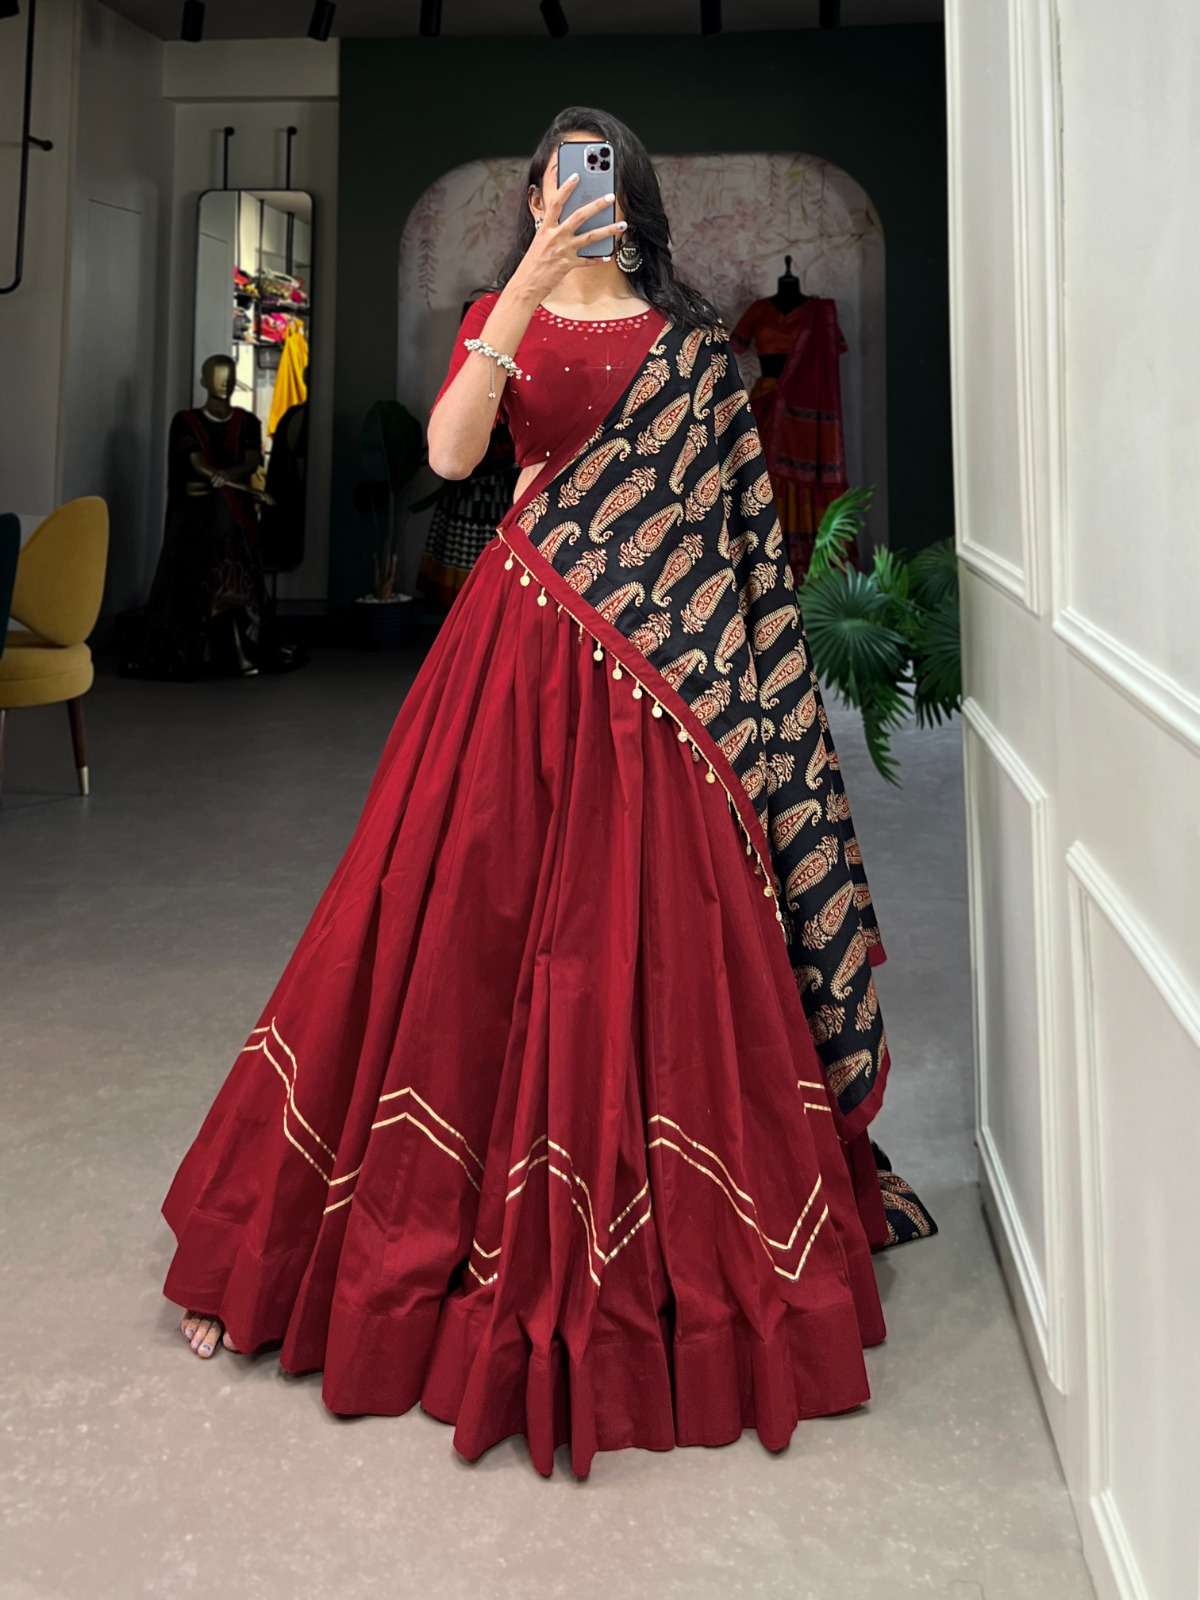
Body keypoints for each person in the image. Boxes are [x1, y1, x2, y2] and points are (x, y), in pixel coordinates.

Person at [161, 108, 935, 1480]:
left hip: (668, 688)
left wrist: (734, 688)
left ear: (629, 198)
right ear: (533, 196)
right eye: (555, 174)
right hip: (515, 666)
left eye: (599, 171)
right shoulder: (496, 315)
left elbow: (733, 541)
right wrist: (520, 290)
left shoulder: (694, 349)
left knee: (662, 954)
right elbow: (457, 456)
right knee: (440, 932)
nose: (575, 190)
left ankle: (679, 1270)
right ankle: (297, 1246)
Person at [133, 355, 269, 679]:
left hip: (234, 518)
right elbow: (193, 461)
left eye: (230, 375)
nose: (225, 381)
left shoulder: (247, 422)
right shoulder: (186, 421)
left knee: (233, 558)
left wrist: (227, 476)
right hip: (197, 520)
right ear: (204, 380)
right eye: (217, 375)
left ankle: (238, 643)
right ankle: (198, 649)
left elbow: (251, 460)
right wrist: (213, 476)